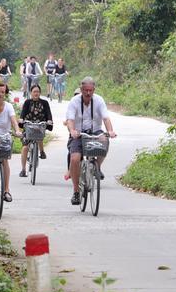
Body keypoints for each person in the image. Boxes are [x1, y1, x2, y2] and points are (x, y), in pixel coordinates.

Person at [65, 76, 116, 205]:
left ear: (94, 90)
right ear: (81, 89)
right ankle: (76, 191)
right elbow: (70, 119)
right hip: (79, 133)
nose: (88, 93)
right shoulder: (74, 101)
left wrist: (110, 131)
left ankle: (97, 166)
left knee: (104, 140)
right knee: (75, 159)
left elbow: (105, 118)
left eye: (90, 90)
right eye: (85, 90)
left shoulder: (99, 100)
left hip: (95, 131)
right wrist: (72, 131)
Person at [18, 83, 53, 176]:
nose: (36, 93)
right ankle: (23, 169)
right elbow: (23, 113)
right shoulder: (27, 102)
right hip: (28, 127)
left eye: (37, 91)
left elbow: (48, 113)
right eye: (34, 92)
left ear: (40, 93)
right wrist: (21, 119)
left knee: (39, 137)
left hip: (40, 126)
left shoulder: (44, 103)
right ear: (31, 92)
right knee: (25, 147)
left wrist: (49, 120)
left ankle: (41, 151)